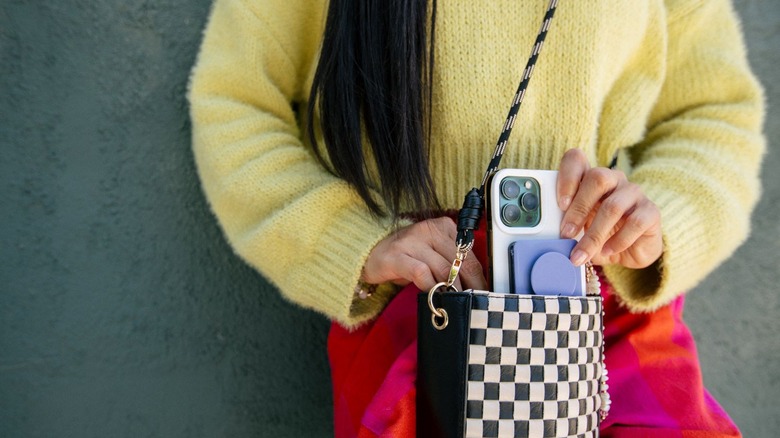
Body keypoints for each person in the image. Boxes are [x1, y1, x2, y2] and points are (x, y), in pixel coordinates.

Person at [188, 0, 765, 436]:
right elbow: (235, 101)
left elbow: (713, 112)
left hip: (598, 288)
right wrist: (347, 243)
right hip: (423, 305)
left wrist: (655, 218)